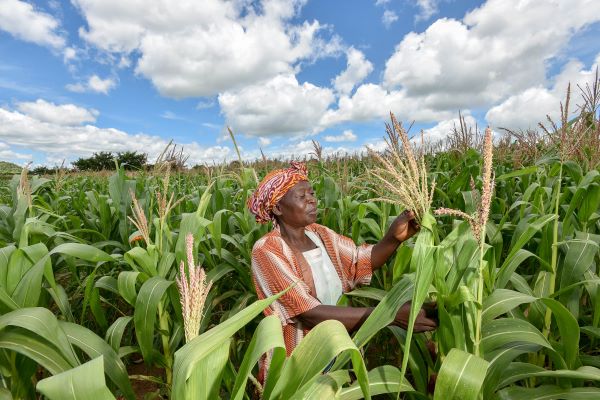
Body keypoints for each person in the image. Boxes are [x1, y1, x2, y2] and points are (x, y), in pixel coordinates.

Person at [247, 161, 436, 363]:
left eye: (312, 194)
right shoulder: (267, 250)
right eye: (302, 197)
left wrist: (393, 238)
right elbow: (309, 313)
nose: (312, 200)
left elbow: (357, 263)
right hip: (300, 360)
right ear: (277, 208)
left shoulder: (320, 234)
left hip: (339, 347)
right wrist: (389, 315)